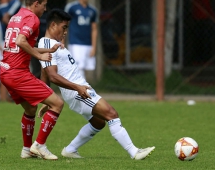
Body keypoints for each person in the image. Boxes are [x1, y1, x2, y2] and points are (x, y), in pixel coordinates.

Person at [38, 9, 155, 160]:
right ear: (53, 25)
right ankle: (134, 152)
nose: (66, 31)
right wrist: (77, 88)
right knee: (111, 114)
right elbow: (52, 75)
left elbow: (44, 73)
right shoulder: (46, 43)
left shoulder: (54, 44)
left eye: (67, 28)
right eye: (64, 27)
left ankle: (70, 149)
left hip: (80, 88)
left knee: (98, 122)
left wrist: (46, 98)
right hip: (77, 91)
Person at [0, 0, 69, 160]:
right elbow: (21, 41)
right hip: (17, 73)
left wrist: (44, 50)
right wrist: (39, 55)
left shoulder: (16, 16)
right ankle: (39, 145)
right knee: (57, 103)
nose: (45, 9)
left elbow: (19, 44)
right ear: (36, 3)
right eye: (44, 5)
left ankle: (26, 150)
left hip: (5, 71)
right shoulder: (32, 19)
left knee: (31, 108)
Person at [64, 0, 98, 79]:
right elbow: (64, 25)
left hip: (88, 43)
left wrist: (94, 47)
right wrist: (62, 41)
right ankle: (83, 91)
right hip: (75, 43)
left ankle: (81, 90)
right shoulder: (71, 8)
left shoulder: (93, 10)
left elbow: (94, 29)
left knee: (87, 68)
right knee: (78, 67)